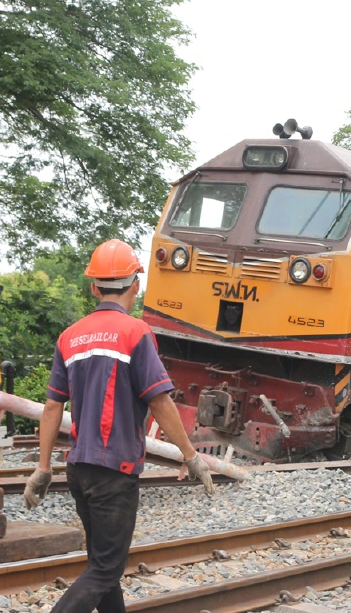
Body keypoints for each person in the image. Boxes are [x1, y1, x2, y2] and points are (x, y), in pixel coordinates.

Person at [25, 239, 214, 613]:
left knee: (101, 563)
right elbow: (160, 401)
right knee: (105, 569)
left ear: (93, 287)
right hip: (114, 472)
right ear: (136, 285)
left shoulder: (70, 336)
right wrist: (191, 456)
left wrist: (43, 468)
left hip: (79, 469)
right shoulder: (136, 333)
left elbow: (51, 407)